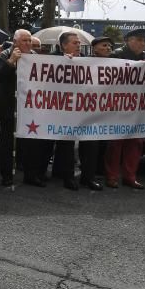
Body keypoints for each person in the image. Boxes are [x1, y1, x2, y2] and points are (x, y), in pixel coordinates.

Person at [104, 28, 145, 189]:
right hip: (118, 105)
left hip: (137, 106)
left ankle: (130, 176)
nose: (142, 43)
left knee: (135, 142)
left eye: (144, 40)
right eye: (139, 39)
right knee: (116, 143)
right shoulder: (116, 55)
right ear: (128, 40)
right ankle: (112, 176)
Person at [0, 29, 34, 188]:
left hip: (28, 107)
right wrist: (11, 62)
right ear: (15, 42)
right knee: (7, 143)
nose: (28, 44)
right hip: (9, 106)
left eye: (29, 40)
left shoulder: (34, 57)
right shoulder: (3, 55)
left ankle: (29, 173)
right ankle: (7, 175)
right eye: (24, 40)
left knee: (29, 141)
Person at [77, 37, 114, 190]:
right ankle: (87, 177)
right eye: (104, 45)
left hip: (105, 110)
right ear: (95, 49)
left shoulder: (115, 63)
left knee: (101, 145)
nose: (108, 48)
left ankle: (95, 173)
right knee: (90, 146)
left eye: (110, 46)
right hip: (88, 111)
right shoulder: (85, 62)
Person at [47, 32, 82, 191]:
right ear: (64, 45)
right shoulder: (51, 58)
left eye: (79, 43)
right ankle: (41, 174)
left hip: (71, 108)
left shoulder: (84, 60)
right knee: (47, 143)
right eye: (75, 43)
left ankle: (68, 176)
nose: (78, 45)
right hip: (52, 107)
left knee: (68, 143)